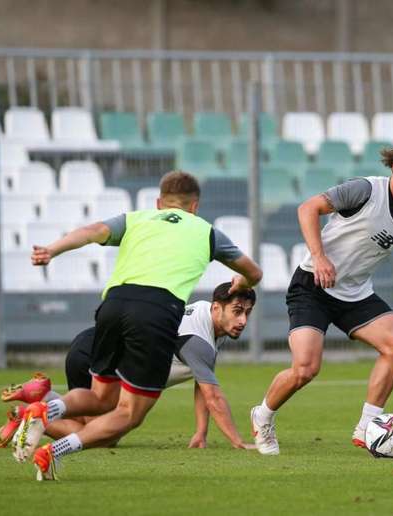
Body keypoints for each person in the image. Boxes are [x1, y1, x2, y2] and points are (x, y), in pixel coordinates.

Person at [13, 170, 262, 481]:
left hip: (113, 304)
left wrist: (53, 249)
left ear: (159, 203)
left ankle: (45, 411)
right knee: (128, 414)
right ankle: (53, 452)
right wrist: (244, 280)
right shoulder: (207, 232)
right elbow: (254, 271)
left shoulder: (135, 218)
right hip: (157, 311)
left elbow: (92, 230)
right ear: (195, 206)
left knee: (101, 397)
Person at [249, 139, 393, 455]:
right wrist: (319, 257)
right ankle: (263, 415)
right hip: (313, 286)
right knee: (305, 369)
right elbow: (308, 208)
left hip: (355, 293)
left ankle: (367, 427)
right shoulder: (365, 191)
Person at [0, 283, 257, 450]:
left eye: (247, 312)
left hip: (92, 345)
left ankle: (41, 396)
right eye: (237, 311)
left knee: (91, 423)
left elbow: (203, 382)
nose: (243, 320)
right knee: (101, 435)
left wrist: (201, 432)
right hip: (95, 355)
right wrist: (237, 442)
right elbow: (213, 396)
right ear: (216, 308)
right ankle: (28, 412)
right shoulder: (199, 340)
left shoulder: (204, 316)